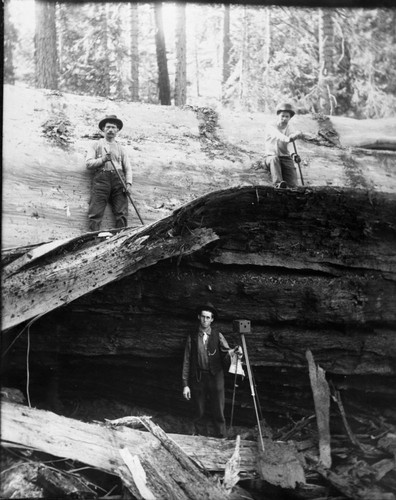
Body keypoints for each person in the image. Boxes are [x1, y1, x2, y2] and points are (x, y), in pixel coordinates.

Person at [182, 303, 242, 438]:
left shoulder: (217, 335)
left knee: (218, 409)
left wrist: (234, 352)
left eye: (208, 317)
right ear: (199, 317)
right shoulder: (192, 336)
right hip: (198, 377)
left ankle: (221, 436)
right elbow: (186, 360)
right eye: (203, 317)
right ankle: (198, 435)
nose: (205, 320)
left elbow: (226, 353)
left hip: (216, 376)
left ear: (212, 319)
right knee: (199, 409)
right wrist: (185, 385)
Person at [86, 115, 132, 232]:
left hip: (118, 181)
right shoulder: (96, 145)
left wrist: (129, 184)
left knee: (121, 212)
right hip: (101, 180)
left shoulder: (121, 148)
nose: (111, 130)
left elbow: (128, 168)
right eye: (108, 127)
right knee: (95, 212)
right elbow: (89, 164)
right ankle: (93, 240)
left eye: (113, 127)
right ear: (103, 129)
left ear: (117, 130)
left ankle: (121, 239)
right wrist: (103, 160)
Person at [263, 103, 303, 188]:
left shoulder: (289, 127)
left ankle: (293, 189)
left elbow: (292, 140)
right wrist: (288, 139)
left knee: (293, 184)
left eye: (287, 116)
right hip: (270, 157)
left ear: (290, 118)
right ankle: (278, 183)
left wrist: (294, 154)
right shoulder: (271, 125)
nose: (284, 118)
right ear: (278, 115)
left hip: (285, 157)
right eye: (282, 116)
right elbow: (278, 136)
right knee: (274, 159)